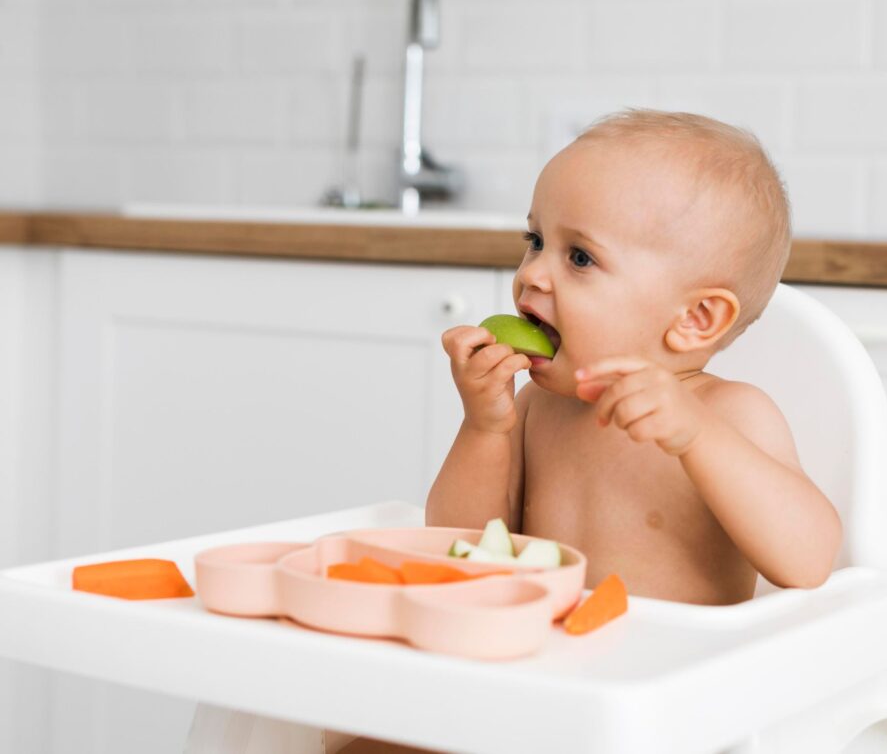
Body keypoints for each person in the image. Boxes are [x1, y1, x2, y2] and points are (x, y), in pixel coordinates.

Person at [333, 109, 842, 752]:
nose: (533, 274)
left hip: (660, 710)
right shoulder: (545, 410)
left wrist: (696, 439)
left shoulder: (728, 416)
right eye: (534, 240)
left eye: (579, 257)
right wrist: (486, 426)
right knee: (357, 733)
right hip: (533, 687)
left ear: (695, 319)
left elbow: (809, 559)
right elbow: (461, 543)